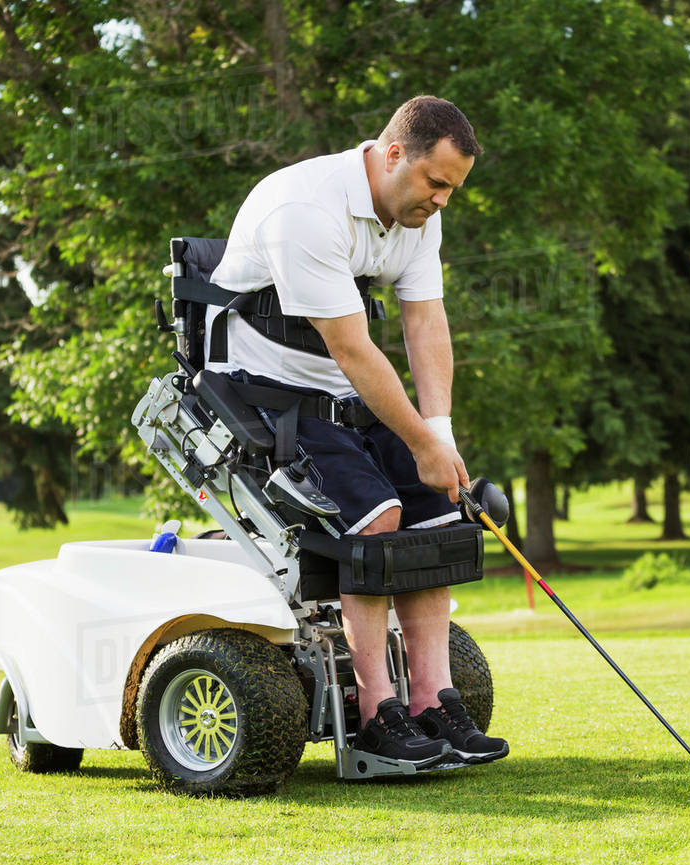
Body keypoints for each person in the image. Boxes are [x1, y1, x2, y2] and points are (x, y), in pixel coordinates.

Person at [208, 95, 507, 767]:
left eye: (453, 189)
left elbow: (424, 323)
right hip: (264, 397)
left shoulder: (417, 218)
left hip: (343, 396)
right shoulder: (305, 210)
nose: (442, 200)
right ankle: (378, 714)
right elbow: (351, 346)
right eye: (436, 183)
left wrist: (439, 435)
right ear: (394, 153)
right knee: (377, 518)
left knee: (436, 512)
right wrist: (421, 444)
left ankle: (434, 702)